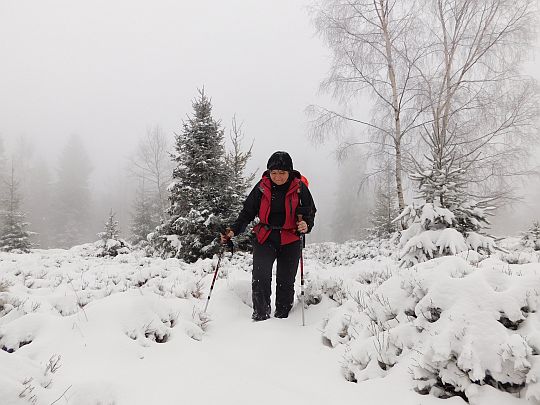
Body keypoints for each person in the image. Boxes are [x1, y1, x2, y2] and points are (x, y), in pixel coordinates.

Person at [221, 151, 316, 321]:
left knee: (286, 281)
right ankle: (261, 315)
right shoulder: (261, 187)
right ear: (269, 172)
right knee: (261, 277)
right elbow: (247, 212)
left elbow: (309, 211)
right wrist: (233, 230)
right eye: (274, 173)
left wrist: (306, 224)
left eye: (282, 173)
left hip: (291, 238)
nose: (278, 177)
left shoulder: (300, 188)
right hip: (265, 237)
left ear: (290, 172)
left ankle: (283, 317)